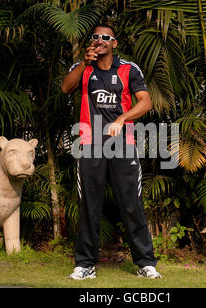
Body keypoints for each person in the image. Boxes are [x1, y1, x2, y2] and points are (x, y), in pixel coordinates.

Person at [61, 24, 161, 280]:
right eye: (95, 36)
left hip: (122, 144)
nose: (100, 40)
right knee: (89, 206)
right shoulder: (84, 67)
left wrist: (122, 119)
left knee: (131, 205)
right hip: (90, 144)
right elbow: (66, 88)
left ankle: (145, 263)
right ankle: (85, 265)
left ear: (114, 43)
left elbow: (146, 101)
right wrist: (84, 63)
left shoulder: (128, 69)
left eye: (106, 37)